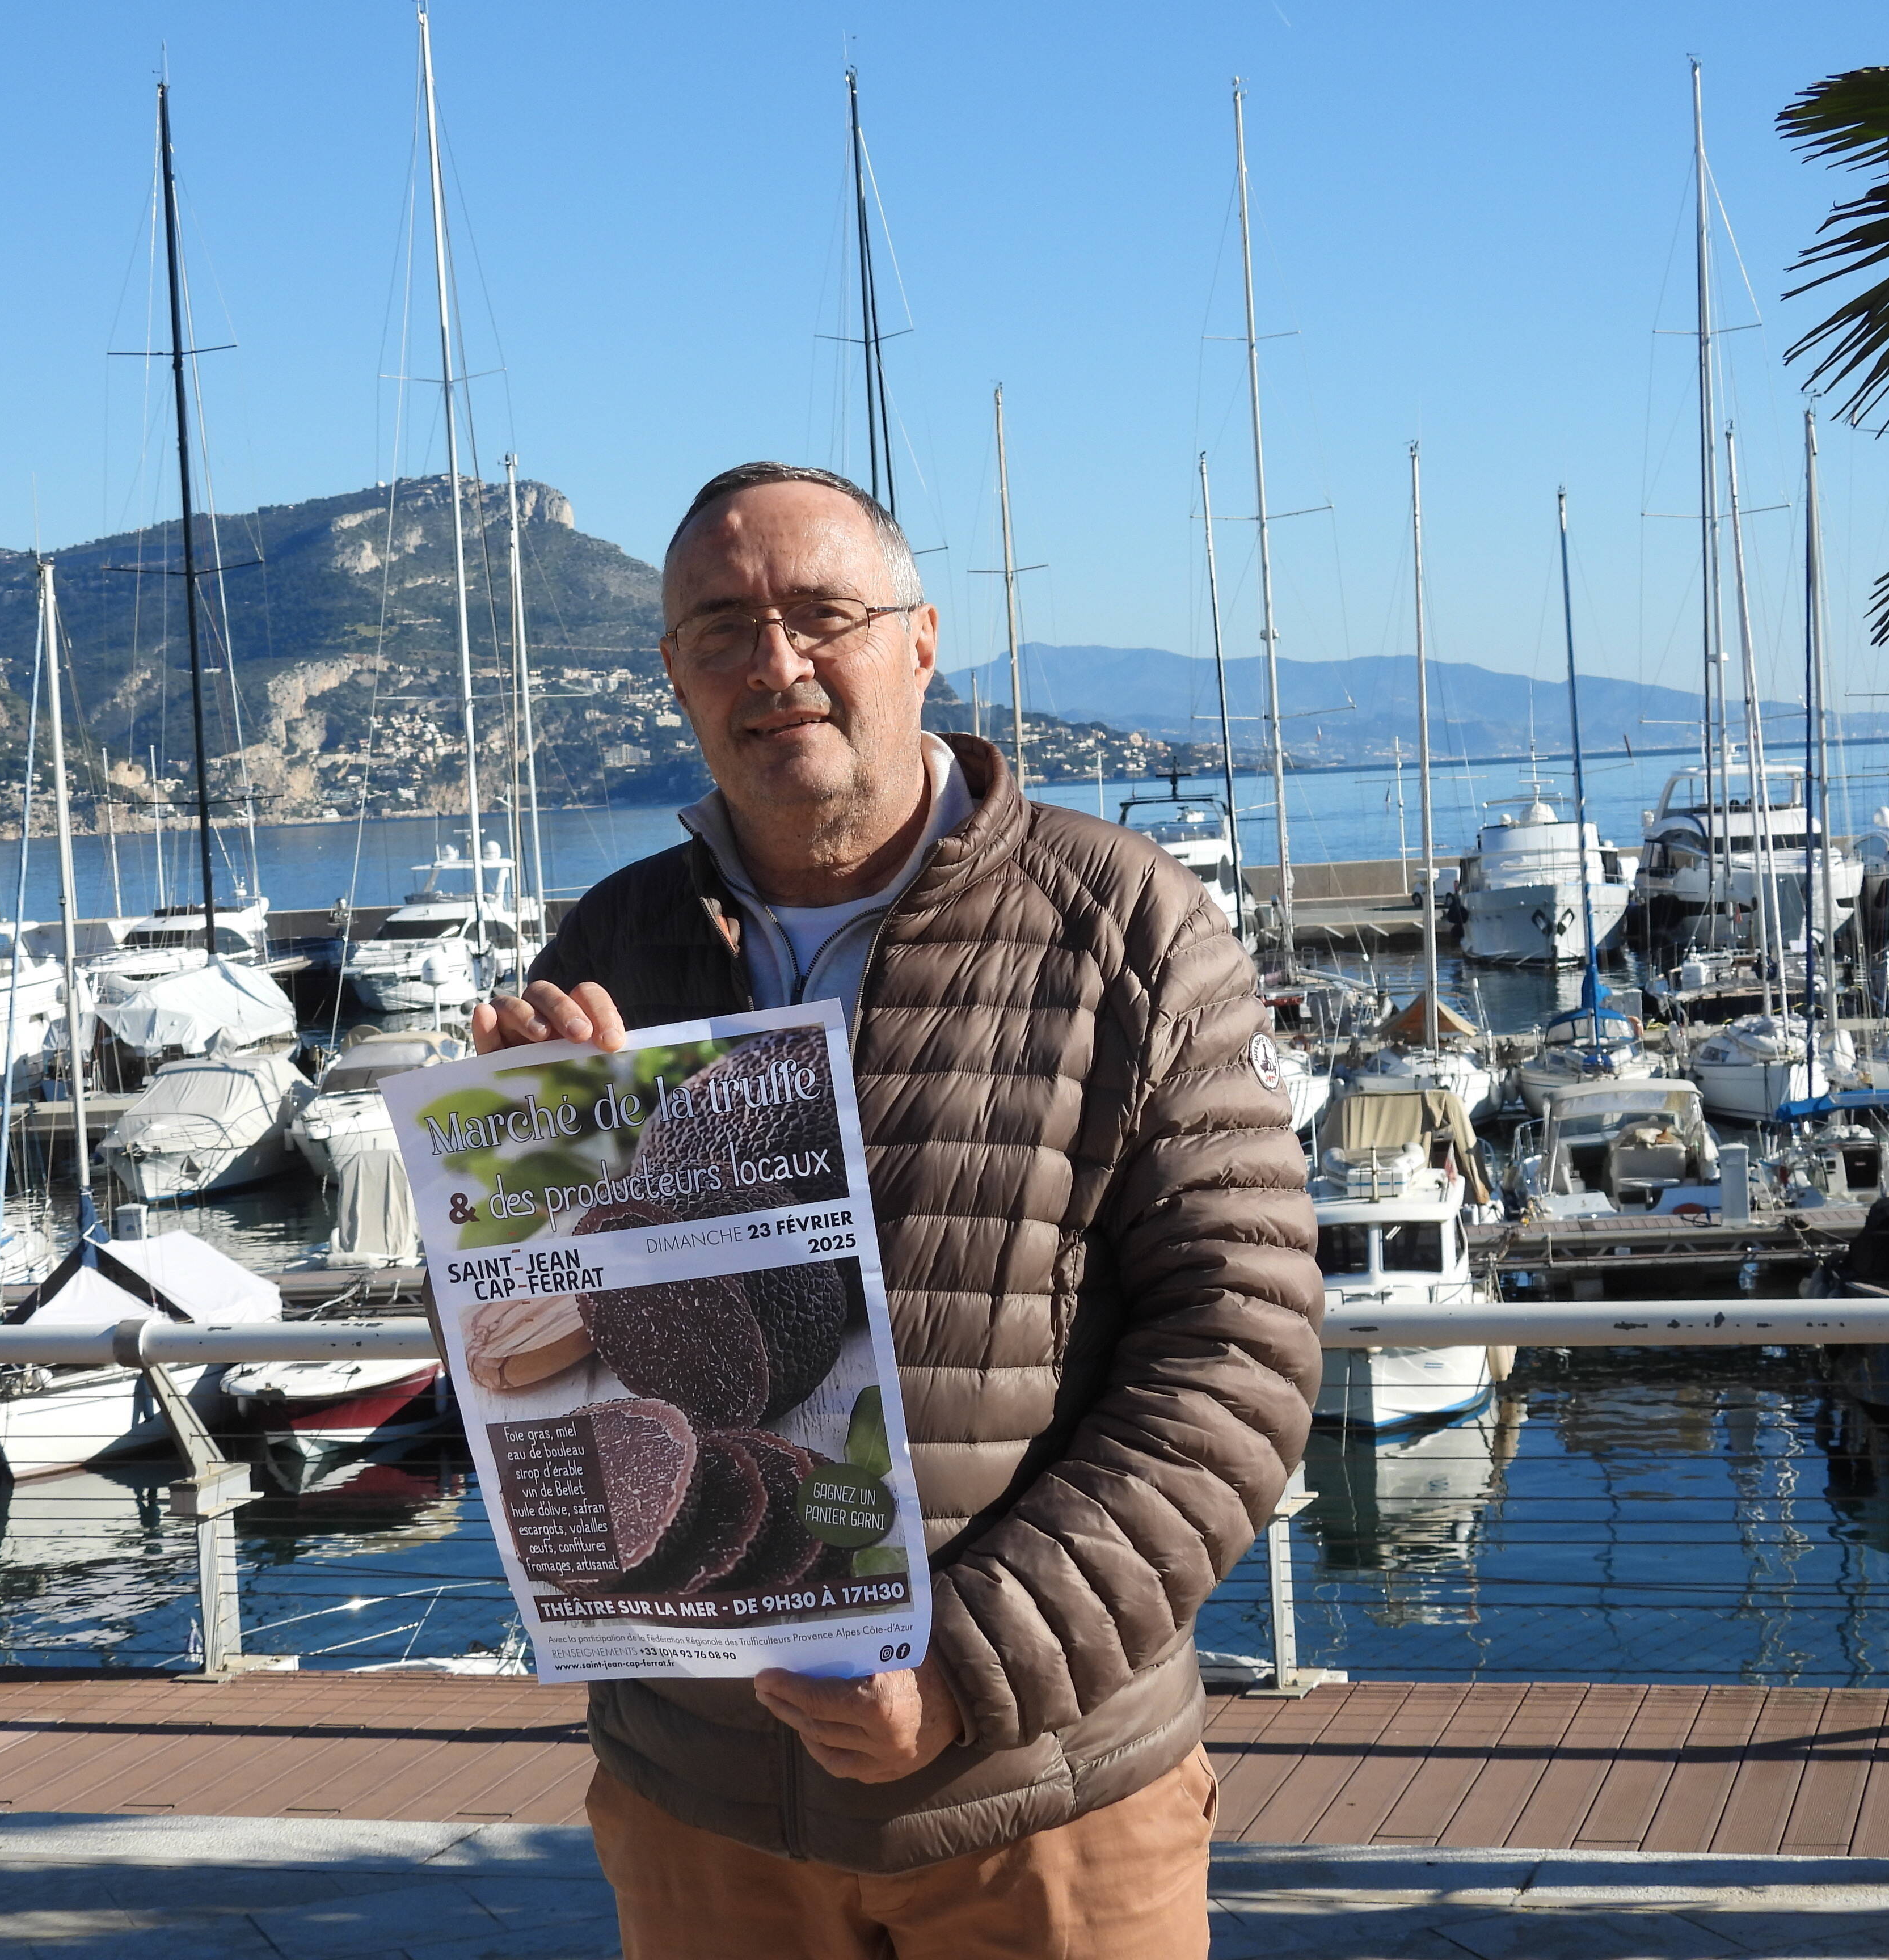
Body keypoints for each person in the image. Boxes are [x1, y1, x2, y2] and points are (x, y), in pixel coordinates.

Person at [475, 461, 1323, 1958]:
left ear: (920, 642)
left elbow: (1239, 1356)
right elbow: (526, 1362)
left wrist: (963, 1670)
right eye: (723, 629)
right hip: (702, 1809)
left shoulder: (1126, 926)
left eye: (822, 615)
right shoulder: (612, 944)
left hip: (1038, 1800)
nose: (776, 663)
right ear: (675, 674)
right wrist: (521, 1163)